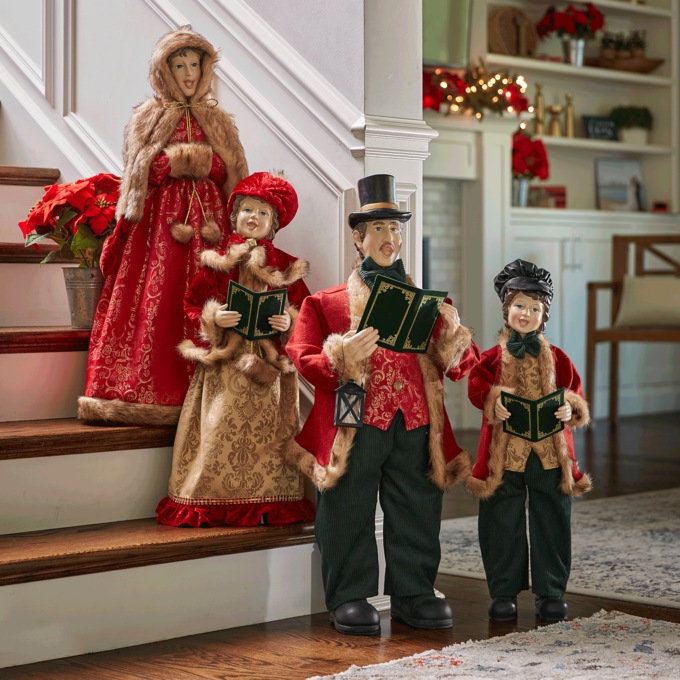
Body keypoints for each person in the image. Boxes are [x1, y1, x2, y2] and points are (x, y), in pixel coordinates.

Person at [285, 174, 480, 636]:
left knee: (418, 505)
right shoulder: (326, 304)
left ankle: (414, 593)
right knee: (348, 506)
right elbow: (302, 356)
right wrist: (341, 355)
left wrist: (453, 336)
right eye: (379, 229)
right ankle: (349, 596)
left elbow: (462, 365)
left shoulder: (430, 304)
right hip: (356, 424)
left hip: (416, 421)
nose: (390, 237)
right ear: (359, 239)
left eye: (395, 228)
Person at [78, 26, 248, 425]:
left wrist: (195, 162)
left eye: (194, 65)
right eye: (179, 65)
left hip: (209, 222)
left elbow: (231, 172)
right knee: (159, 293)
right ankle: (151, 391)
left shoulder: (218, 120)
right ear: (164, 70)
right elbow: (141, 170)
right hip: (160, 225)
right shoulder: (149, 116)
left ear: (205, 69)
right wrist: (175, 162)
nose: (188, 74)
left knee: (210, 295)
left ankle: (212, 395)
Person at [156, 171, 315, 527]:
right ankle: (212, 495)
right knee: (218, 429)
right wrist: (214, 317)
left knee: (270, 434)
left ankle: (270, 495)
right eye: (247, 210)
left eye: (263, 213)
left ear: (273, 224)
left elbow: (306, 315)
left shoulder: (286, 267)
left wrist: (288, 323)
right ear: (235, 216)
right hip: (226, 363)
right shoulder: (218, 262)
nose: (253, 218)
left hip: (269, 369)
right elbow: (191, 304)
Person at [467, 259, 592, 624]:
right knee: (500, 519)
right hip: (505, 454)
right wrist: (493, 400)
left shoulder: (558, 357)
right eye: (519, 306)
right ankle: (503, 592)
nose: (526, 314)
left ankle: (550, 591)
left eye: (534, 309)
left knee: (552, 517)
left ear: (544, 316)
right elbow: (477, 387)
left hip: (549, 453)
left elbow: (575, 391)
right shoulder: (491, 358)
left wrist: (570, 408)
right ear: (506, 310)